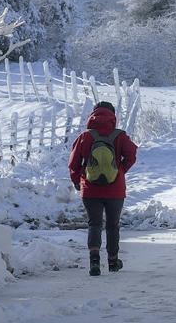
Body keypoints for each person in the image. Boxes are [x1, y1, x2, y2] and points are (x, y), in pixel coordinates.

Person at [68, 101, 138, 276]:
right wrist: (120, 171)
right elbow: (131, 155)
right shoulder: (120, 136)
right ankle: (113, 262)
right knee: (113, 225)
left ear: (93, 115)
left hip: (90, 189)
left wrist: (77, 180)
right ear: (113, 116)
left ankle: (94, 263)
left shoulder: (85, 136)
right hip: (115, 190)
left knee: (94, 224)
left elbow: (73, 163)